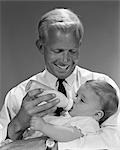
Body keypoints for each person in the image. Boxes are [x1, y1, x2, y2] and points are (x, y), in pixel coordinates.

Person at [0, 8, 120, 149]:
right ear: (40, 47)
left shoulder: (103, 88)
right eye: (58, 51)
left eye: (72, 51)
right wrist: (18, 124)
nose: (65, 60)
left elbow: (113, 140)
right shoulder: (18, 95)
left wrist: (50, 145)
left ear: (79, 46)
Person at [29, 80, 119, 149]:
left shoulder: (89, 123)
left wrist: (43, 126)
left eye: (82, 100)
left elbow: (67, 135)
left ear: (97, 114)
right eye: (76, 95)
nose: (74, 99)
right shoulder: (70, 117)